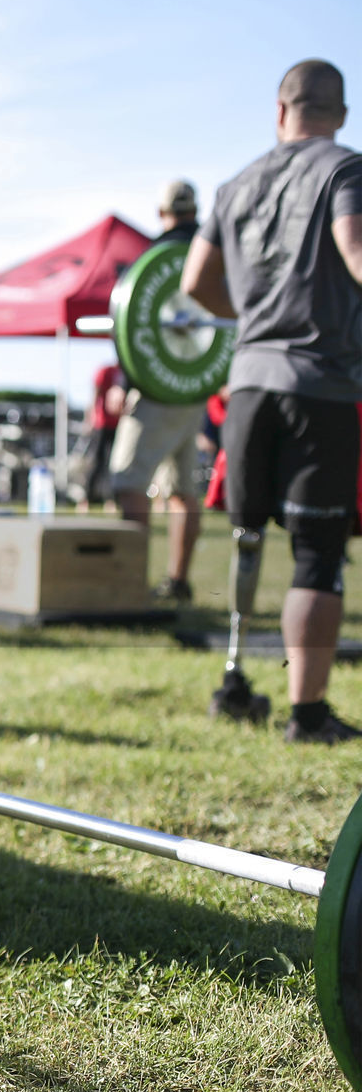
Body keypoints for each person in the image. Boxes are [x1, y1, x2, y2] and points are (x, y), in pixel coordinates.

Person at [181, 59, 362, 743]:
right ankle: (307, 714)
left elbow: (197, 281)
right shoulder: (346, 168)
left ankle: (233, 680)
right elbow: (357, 250)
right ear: (339, 114)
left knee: (248, 535)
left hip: (249, 381)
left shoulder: (234, 184)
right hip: (320, 381)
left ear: (279, 110)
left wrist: (256, 314)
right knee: (317, 553)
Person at [106, 180, 205, 601]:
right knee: (183, 490)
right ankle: (178, 581)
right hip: (195, 384)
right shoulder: (211, 253)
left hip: (155, 389)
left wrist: (125, 382)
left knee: (128, 483)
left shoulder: (152, 255)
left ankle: (128, 584)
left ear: (161, 213)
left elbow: (136, 325)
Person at [80, 362, 126, 510]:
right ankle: (87, 498)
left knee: (114, 463)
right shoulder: (106, 371)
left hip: (119, 424)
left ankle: (111, 499)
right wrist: (91, 417)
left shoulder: (125, 372)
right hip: (102, 423)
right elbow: (95, 393)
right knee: (97, 461)